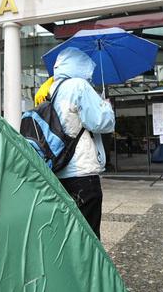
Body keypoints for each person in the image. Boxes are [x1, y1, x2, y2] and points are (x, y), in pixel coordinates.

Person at [49, 47, 115, 239]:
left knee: (69, 233)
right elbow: (101, 122)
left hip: (60, 171)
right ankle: (90, 269)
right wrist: (106, 106)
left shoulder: (52, 90)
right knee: (89, 235)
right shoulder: (79, 85)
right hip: (82, 172)